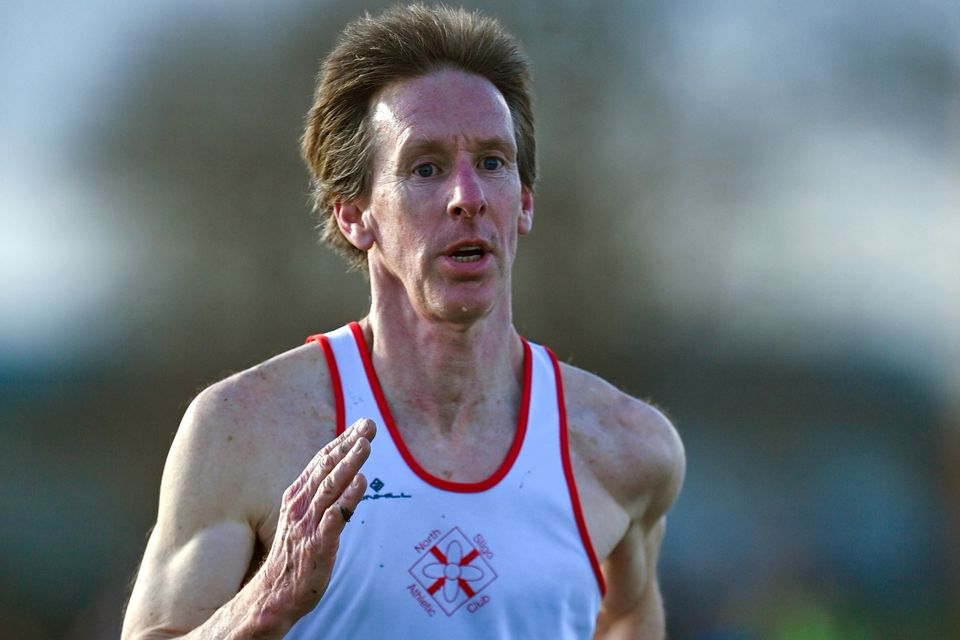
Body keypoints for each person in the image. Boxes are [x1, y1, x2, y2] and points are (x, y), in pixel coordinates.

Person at [122, 5, 685, 639]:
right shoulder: (243, 431)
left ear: (523, 203)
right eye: (426, 167)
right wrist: (268, 601)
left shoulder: (624, 448)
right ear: (354, 215)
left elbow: (630, 616)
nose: (467, 196)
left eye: (494, 163)